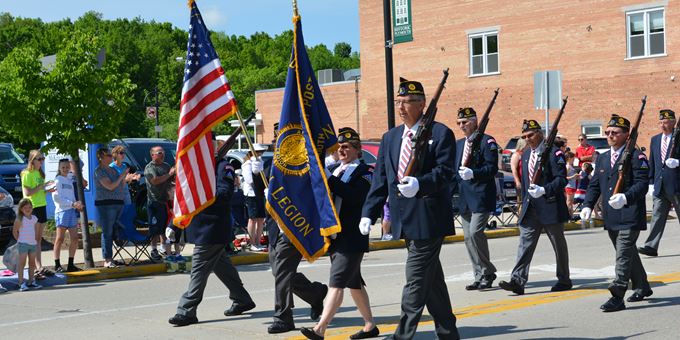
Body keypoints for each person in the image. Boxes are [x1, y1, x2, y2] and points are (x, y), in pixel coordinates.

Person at [360, 77, 459, 339]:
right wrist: (368, 213)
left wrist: (420, 183)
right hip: (404, 219)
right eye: (399, 101)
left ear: (423, 104)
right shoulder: (390, 137)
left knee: (414, 281)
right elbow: (381, 179)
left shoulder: (440, 134)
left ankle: (401, 336)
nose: (401, 107)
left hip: (428, 218)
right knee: (432, 281)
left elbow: (446, 172)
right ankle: (448, 332)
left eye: (408, 102)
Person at [300, 128, 379, 340]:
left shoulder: (365, 173)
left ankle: (320, 329)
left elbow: (354, 197)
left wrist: (329, 179)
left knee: (336, 283)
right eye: (339, 147)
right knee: (354, 284)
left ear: (357, 150)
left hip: (352, 237)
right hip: (334, 235)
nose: (341, 150)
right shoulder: (335, 170)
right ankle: (370, 326)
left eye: (346, 147)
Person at [169, 138, 256, 327]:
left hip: (213, 229)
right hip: (201, 229)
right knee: (222, 266)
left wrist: (202, 197)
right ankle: (242, 299)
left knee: (198, 270)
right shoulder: (197, 169)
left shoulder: (223, 167)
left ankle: (186, 311)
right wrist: (173, 224)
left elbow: (224, 194)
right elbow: (186, 198)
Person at [580, 114, 652, 312]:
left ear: (626, 135)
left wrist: (626, 197)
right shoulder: (602, 158)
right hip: (611, 216)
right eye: (608, 132)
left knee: (622, 255)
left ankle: (618, 294)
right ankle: (643, 286)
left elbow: (642, 184)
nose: (610, 135)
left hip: (630, 214)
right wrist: (586, 205)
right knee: (628, 254)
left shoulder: (637, 156)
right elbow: (595, 185)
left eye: (615, 132)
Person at [499, 120, 572, 295]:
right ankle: (517, 280)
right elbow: (525, 184)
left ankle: (564, 279)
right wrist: (522, 204)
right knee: (525, 244)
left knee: (558, 244)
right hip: (531, 207)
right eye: (524, 136)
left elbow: (561, 179)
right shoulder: (525, 155)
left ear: (539, 133)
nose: (527, 139)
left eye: (530, 135)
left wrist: (544, 190)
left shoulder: (554, 154)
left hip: (550, 205)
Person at [454, 107, 499, 291]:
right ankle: (480, 275)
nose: (461, 126)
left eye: (465, 122)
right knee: (467, 238)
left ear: (474, 121)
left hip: (481, 195)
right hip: (464, 196)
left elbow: (492, 169)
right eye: (459, 123)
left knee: (475, 233)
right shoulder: (458, 144)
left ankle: (487, 271)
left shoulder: (487, 141)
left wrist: (474, 173)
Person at [639, 109, 680, 257]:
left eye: (667, 122)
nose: (663, 125)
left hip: (676, 186)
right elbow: (653, 162)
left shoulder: (679, 136)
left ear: (674, 122)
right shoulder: (655, 139)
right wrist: (651, 182)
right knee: (657, 216)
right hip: (659, 185)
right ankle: (651, 246)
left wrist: (678, 162)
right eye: (661, 122)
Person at [94, 147, 131, 268]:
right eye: (108, 156)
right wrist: (122, 176)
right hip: (106, 204)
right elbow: (110, 186)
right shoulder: (99, 171)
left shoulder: (113, 170)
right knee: (107, 232)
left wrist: (127, 178)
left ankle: (111, 258)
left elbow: (121, 184)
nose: (111, 157)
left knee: (114, 230)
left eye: (111, 155)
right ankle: (107, 259)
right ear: (101, 157)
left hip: (118, 203)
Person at [21, 150, 55, 280]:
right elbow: (28, 192)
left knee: (38, 239)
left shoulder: (40, 173)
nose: (41, 161)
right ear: (32, 160)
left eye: (42, 159)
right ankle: (34, 268)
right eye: (39, 159)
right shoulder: (26, 173)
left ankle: (39, 266)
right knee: (33, 240)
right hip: (32, 208)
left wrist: (48, 190)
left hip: (41, 206)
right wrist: (41, 187)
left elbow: (39, 191)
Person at [51, 158, 84, 272]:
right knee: (59, 239)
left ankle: (70, 264)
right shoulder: (57, 180)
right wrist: (72, 204)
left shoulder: (69, 179)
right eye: (63, 167)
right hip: (62, 212)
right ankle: (57, 264)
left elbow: (79, 184)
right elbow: (56, 198)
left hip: (71, 211)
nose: (65, 169)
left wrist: (76, 204)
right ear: (59, 168)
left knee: (74, 238)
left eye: (67, 167)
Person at [144, 146, 175, 261]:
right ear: (153, 155)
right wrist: (169, 174)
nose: (163, 154)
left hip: (166, 201)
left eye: (163, 152)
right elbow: (155, 181)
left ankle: (164, 248)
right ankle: (153, 249)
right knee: (155, 227)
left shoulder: (166, 166)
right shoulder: (149, 168)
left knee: (165, 227)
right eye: (159, 153)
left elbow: (169, 180)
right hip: (154, 202)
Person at [241, 143, 268, 251]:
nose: (260, 154)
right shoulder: (247, 164)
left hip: (260, 192)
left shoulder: (260, 162)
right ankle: (252, 243)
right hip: (251, 193)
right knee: (253, 219)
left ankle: (258, 242)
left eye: (261, 152)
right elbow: (249, 180)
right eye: (258, 152)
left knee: (261, 219)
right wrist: (255, 172)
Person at [12, 198, 43, 291]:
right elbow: (15, 231)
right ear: (21, 209)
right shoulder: (20, 219)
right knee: (22, 264)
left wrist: (36, 240)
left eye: (29, 207)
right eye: (25, 207)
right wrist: (20, 240)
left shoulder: (34, 218)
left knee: (32, 264)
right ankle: (21, 283)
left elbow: (37, 231)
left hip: (32, 244)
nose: (28, 209)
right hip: (23, 244)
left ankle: (31, 281)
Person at [564, 151, 580, 219]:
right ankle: (569, 216)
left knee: (571, 202)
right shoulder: (567, 166)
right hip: (569, 186)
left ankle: (571, 215)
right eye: (573, 158)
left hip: (572, 186)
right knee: (569, 202)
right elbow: (565, 177)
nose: (574, 159)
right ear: (569, 158)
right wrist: (574, 176)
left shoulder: (571, 166)